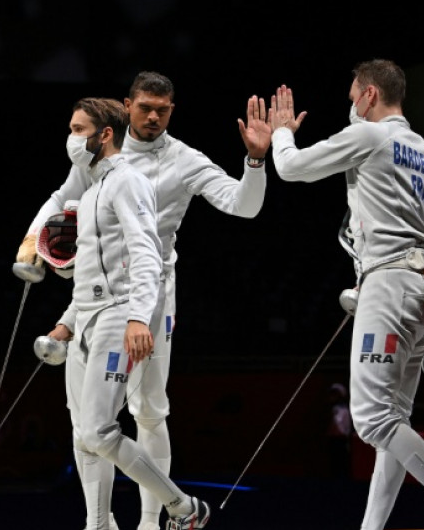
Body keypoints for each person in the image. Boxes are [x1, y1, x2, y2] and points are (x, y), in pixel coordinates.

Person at [16, 71, 270, 530]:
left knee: (148, 409)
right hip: (94, 295)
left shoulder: (183, 160)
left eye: (163, 109)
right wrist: (32, 246)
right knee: (87, 421)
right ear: (127, 106)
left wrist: (254, 162)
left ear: (172, 110)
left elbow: (243, 205)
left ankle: (155, 522)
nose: (154, 116)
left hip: (147, 297)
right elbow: (60, 201)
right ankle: (101, 521)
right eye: (145, 107)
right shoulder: (96, 159)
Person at [268, 59, 424, 530]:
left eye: (354, 96)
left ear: (370, 95)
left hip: (390, 289)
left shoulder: (370, 137)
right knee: (393, 424)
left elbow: (290, 168)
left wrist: (280, 132)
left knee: (373, 422)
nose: (351, 104)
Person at [40, 96, 211, 530]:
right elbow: (93, 272)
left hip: (119, 317)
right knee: (82, 433)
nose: (73, 138)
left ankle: (183, 508)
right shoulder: (93, 190)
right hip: (89, 317)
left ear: (106, 134)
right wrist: (67, 322)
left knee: (101, 430)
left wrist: (139, 317)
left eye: (80, 130)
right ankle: (99, 525)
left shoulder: (128, 181)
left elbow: (146, 254)